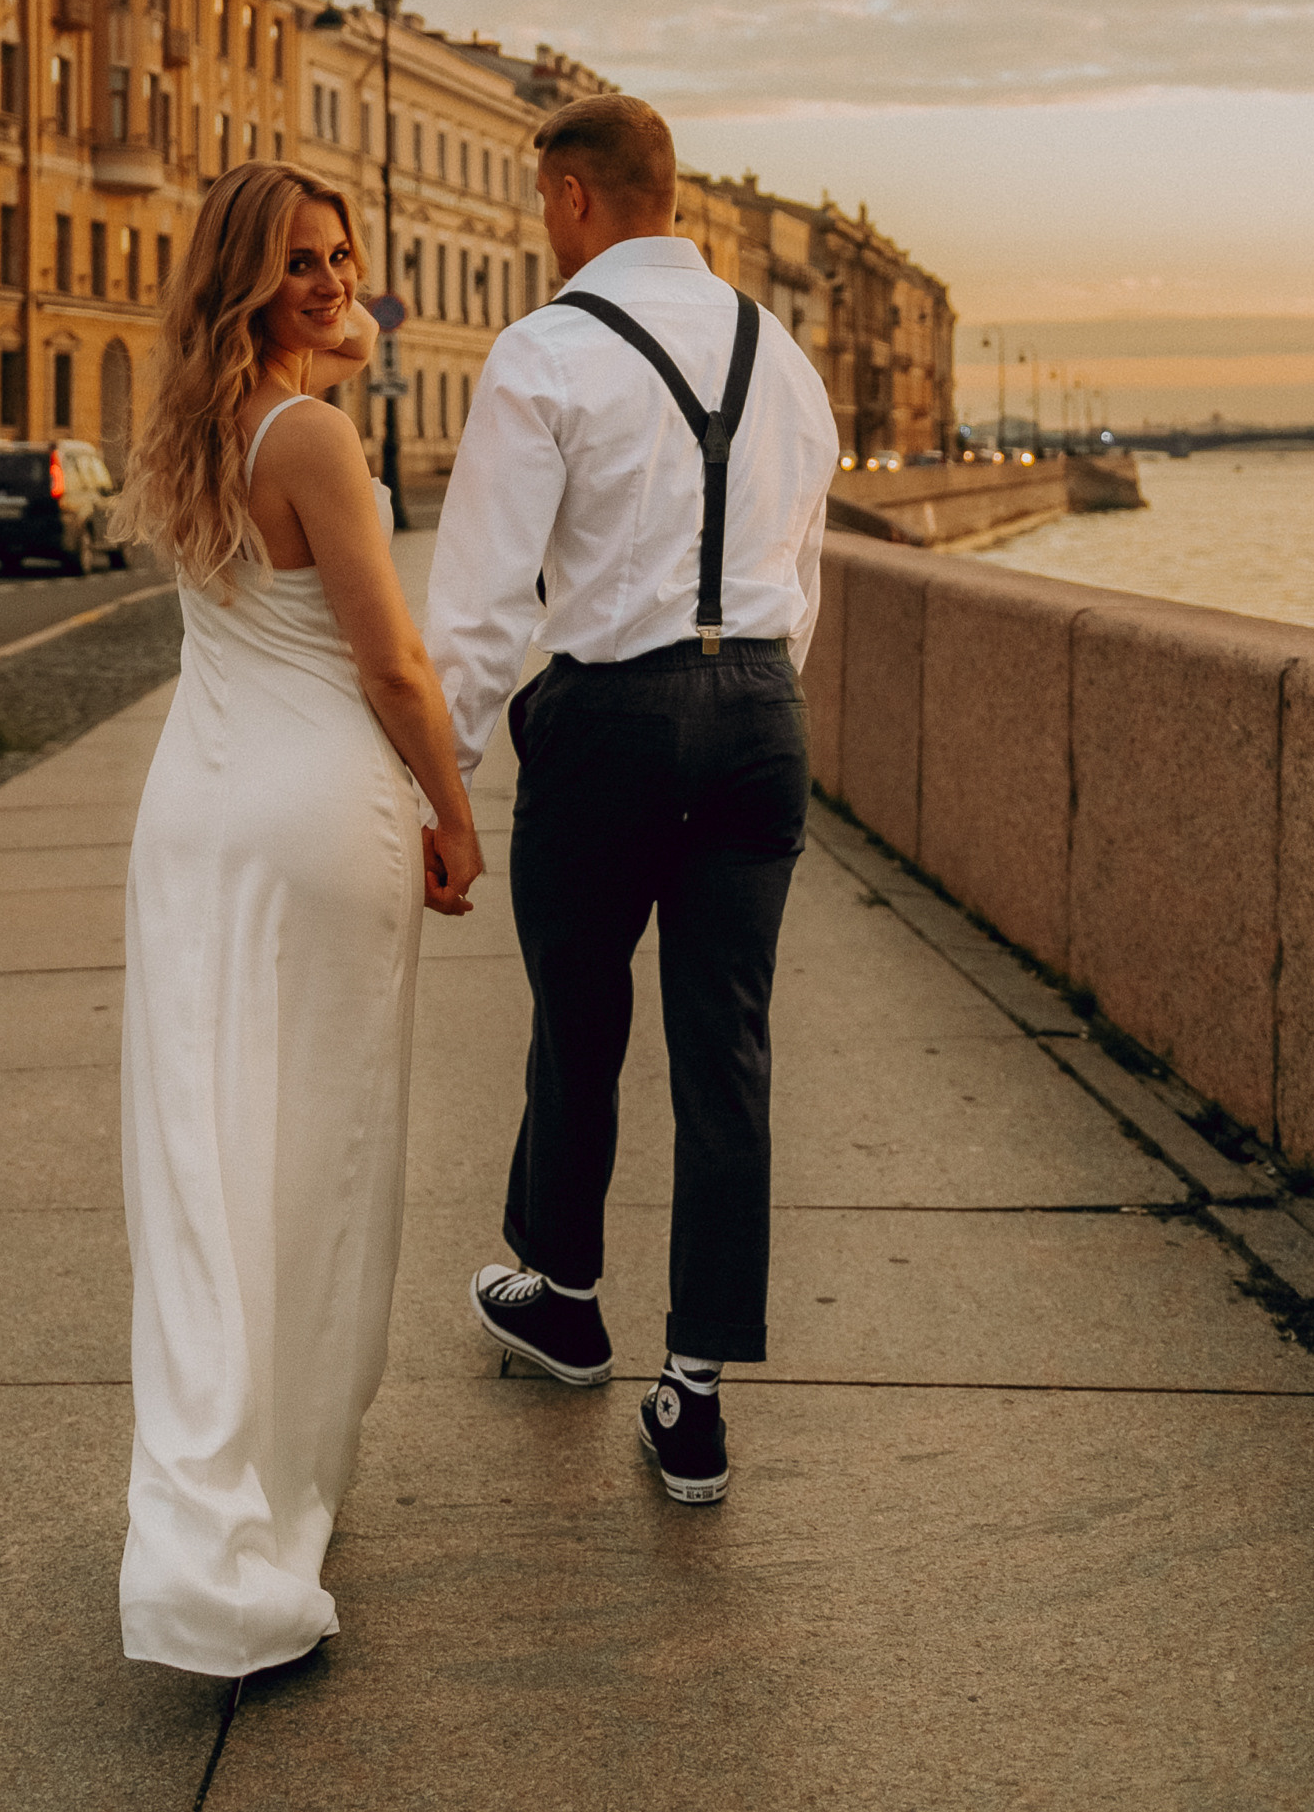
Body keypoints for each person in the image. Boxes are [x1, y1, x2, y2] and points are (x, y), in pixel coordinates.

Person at [424, 95, 838, 1507]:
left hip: (608, 717)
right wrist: (755, 707)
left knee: (578, 1015)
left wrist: (442, 780)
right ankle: (696, 1398)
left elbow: (480, 604)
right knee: (726, 1047)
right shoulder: (782, 354)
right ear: (674, 197)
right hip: (762, 715)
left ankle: (563, 1291)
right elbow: (804, 566)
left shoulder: (544, 351)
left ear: (569, 197)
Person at [113, 163, 484, 1675]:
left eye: (342, 257)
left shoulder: (194, 427)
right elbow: (391, 664)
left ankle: (215, 1500)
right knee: (319, 1161)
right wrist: (457, 817)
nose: (338, 285)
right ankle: (280, 1498)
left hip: (194, 818)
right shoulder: (314, 433)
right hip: (317, 812)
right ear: (247, 285)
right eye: (301, 265)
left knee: (206, 1169)